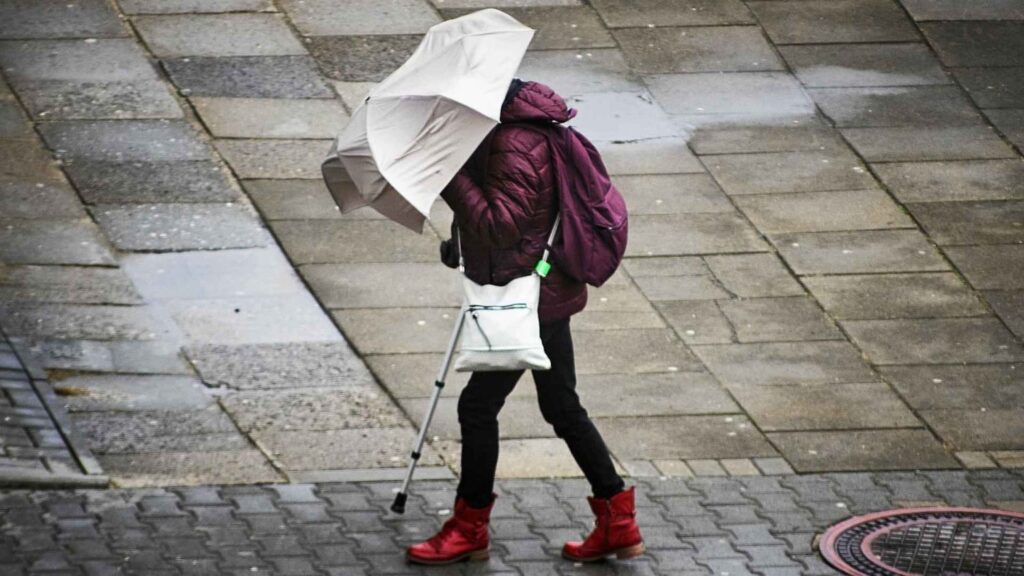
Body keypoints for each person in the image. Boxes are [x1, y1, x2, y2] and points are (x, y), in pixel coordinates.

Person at [405, 79, 645, 565]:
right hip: (545, 291)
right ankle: (618, 520)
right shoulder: (517, 130)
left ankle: (470, 526)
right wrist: (463, 243)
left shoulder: (515, 141)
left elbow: (500, 222)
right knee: (561, 405)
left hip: (528, 300)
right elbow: (518, 219)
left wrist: (450, 176)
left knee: (477, 410)